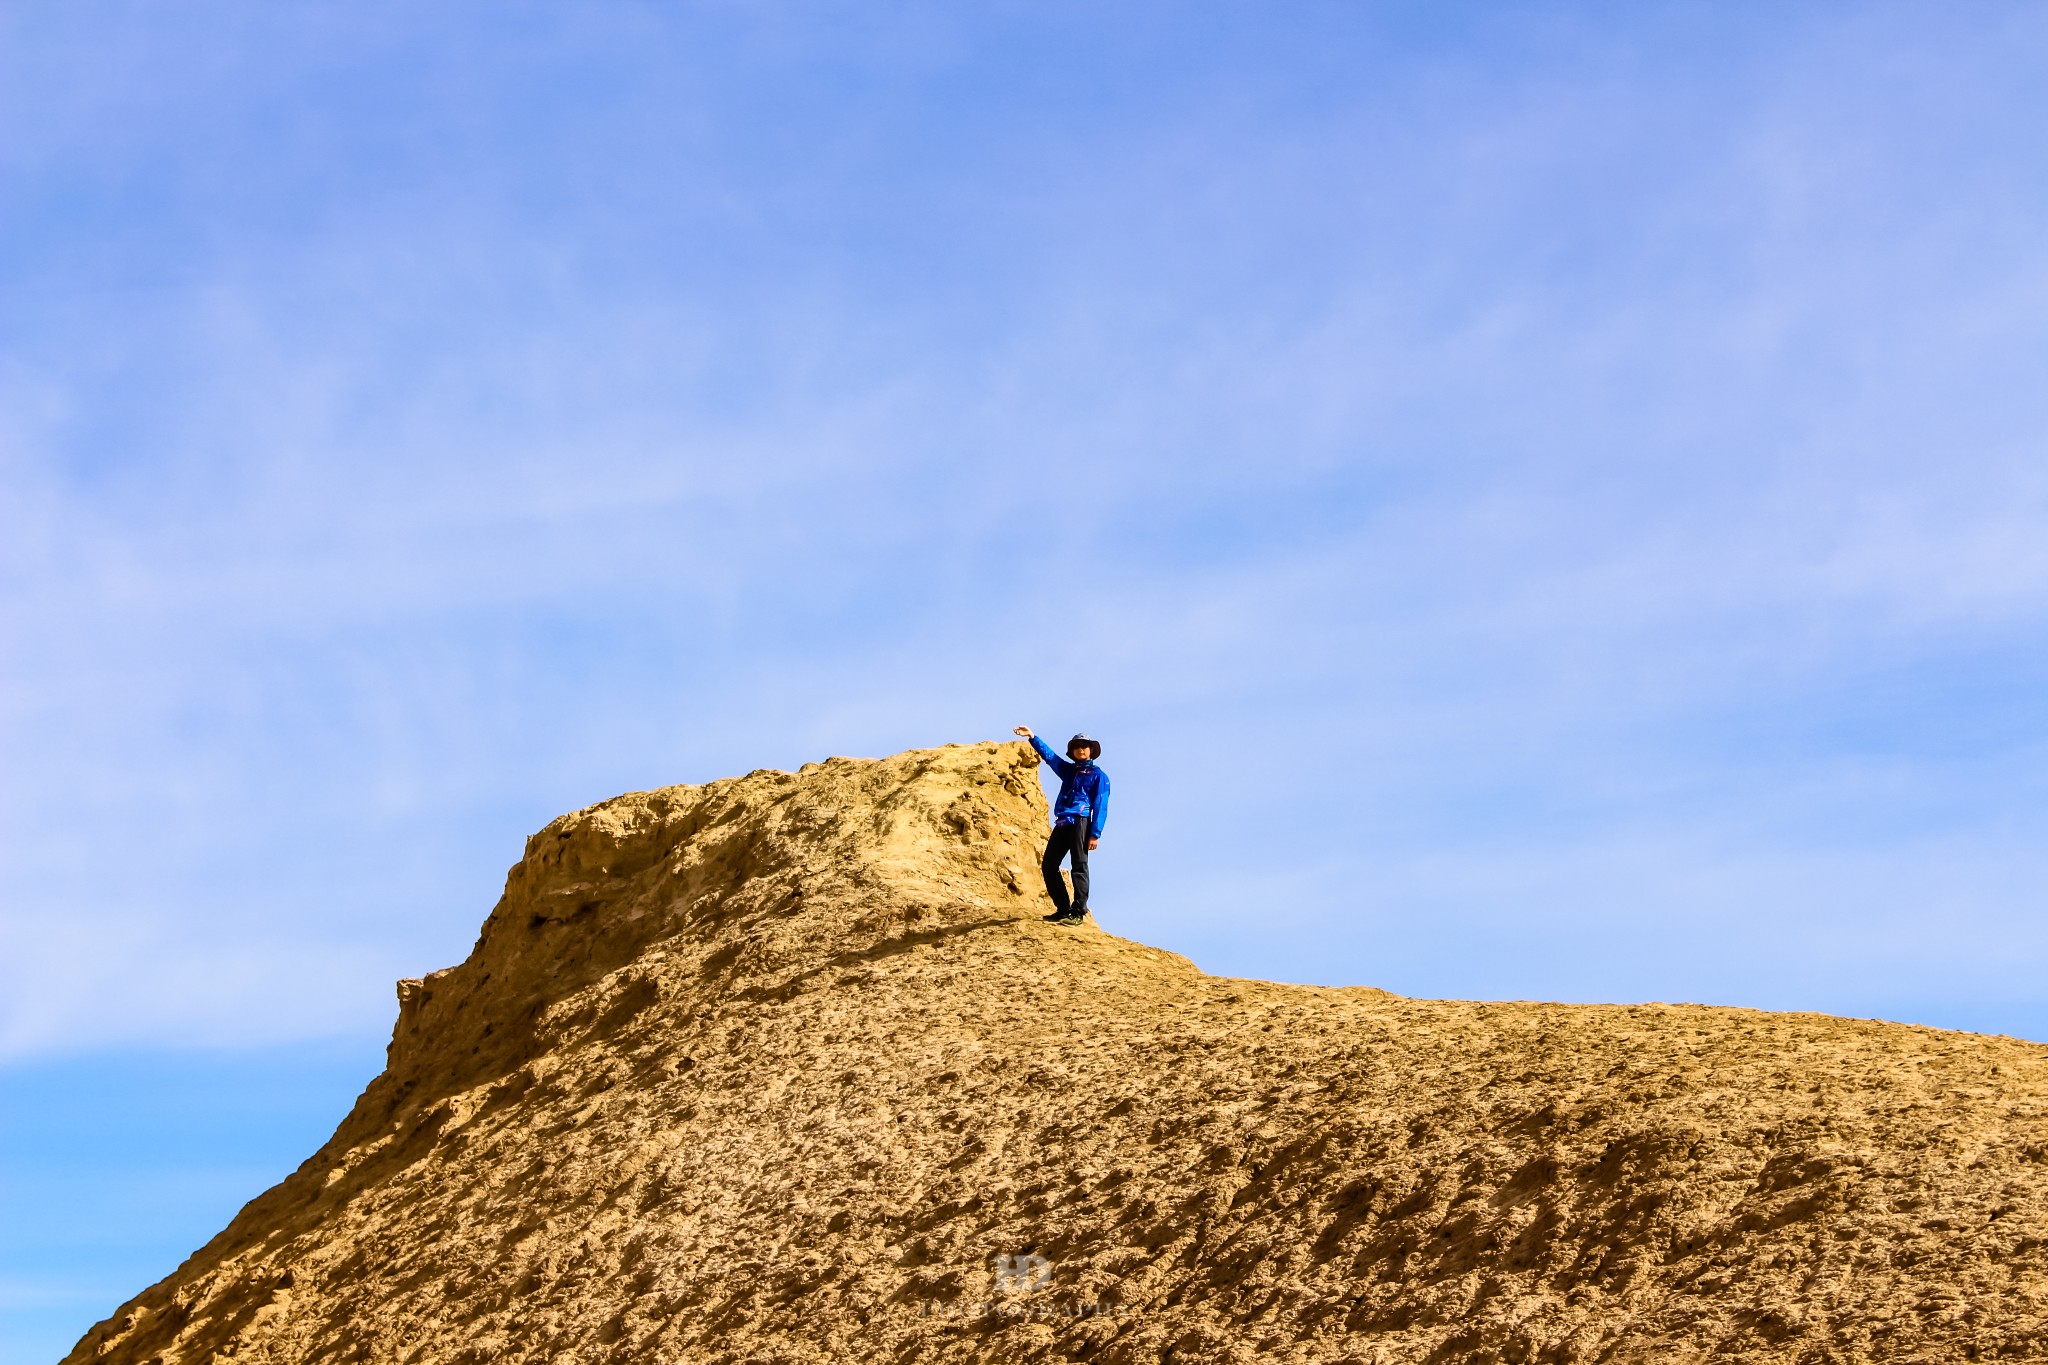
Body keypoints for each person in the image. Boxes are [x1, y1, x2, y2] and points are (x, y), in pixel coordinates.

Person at [1013, 726, 1109, 925]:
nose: (1081, 749)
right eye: (1077, 747)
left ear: (1091, 750)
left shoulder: (1098, 776)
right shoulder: (1068, 771)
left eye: (1085, 746)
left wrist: (1095, 834)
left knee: (1079, 865)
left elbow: (1101, 805)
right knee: (1049, 864)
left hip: (1081, 821)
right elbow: (1052, 758)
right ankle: (1063, 909)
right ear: (1073, 752)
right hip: (1064, 822)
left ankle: (1078, 912)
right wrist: (1032, 737)